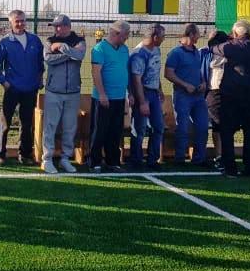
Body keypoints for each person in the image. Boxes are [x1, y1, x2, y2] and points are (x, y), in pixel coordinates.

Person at [212, 20, 250, 176]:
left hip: (231, 96)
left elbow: (212, 47)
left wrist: (224, 38)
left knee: (227, 132)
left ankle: (230, 168)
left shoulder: (229, 47)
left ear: (235, 33)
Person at [0, 9, 44, 165]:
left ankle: (25, 154)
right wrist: (3, 82)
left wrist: (39, 80)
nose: (20, 23)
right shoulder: (4, 42)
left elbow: (40, 64)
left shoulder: (35, 40)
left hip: (30, 89)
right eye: (17, 21)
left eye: (23, 20)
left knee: (27, 123)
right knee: (5, 122)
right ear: (11, 23)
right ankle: (0, 154)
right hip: (12, 89)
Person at [42, 14, 86, 174]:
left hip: (73, 92)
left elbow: (80, 55)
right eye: (54, 26)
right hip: (53, 91)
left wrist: (61, 46)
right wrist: (70, 54)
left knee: (69, 127)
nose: (56, 29)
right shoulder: (49, 41)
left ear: (67, 26)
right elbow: (48, 59)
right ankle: (47, 159)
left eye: (58, 26)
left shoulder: (79, 40)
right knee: (50, 126)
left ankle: (65, 158)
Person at [164, 23, 208, 167]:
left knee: (202, 126)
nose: (199, 36)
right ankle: (179, 159)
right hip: (182, 96)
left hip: (199, 96)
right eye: (198, 34)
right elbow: (168, 74)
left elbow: (198, 71)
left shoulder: (197, 52)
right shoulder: (175, 53)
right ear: (191, 34)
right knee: (182, 128)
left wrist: (203, 82)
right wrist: (185, 85)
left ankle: (199, 159)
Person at [89, 20, 130, 173]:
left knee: (115, 131)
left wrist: (129, 93)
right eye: (126, 35)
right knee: (99, 131)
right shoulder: (99, 49)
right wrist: (102, 94)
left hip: (119, 97)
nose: (127, 37)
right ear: (117, 33)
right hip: (103, 98)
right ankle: (94, 162)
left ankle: (113, 162)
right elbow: (96, 72)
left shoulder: (124, 49)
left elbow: (126, 71)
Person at [128, 24, 165, 171]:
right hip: (142, 93)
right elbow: (136, 80)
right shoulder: (138, 54)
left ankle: (152, 160)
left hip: (154, 93)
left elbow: (155, 71)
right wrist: (142, 102)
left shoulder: (157, 49)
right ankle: (136, 160)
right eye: (162, 36)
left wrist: (159, 89)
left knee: (158, 127)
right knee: (140, 129)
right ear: (155, 37)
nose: (164, 39)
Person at [200, 31, 229, 169]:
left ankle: (225, 154)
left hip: (228, 92)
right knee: (217, 124)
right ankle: (219, 155)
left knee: (226, 125)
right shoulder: (204, 53)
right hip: (213, 91)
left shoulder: (230, 53)